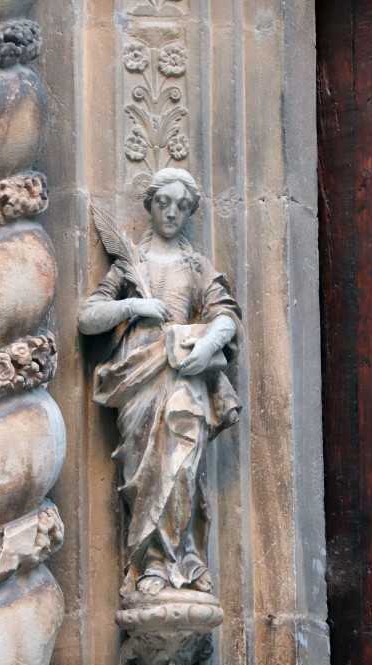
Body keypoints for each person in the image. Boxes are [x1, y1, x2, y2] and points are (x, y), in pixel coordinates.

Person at [78, 168, 241, 597]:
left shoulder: (196, 266)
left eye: (182, 205)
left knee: (182, 466)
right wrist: (133, 303)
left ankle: (184, 557)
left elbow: (226, 316)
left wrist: (207, 347)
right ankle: (149, 560)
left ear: (190, 211)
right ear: (150, 205)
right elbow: (87, 317)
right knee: (143, 470)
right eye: (164, 202)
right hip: (138, 377)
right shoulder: (130, 265)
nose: (172, 211)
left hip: (185, 370)